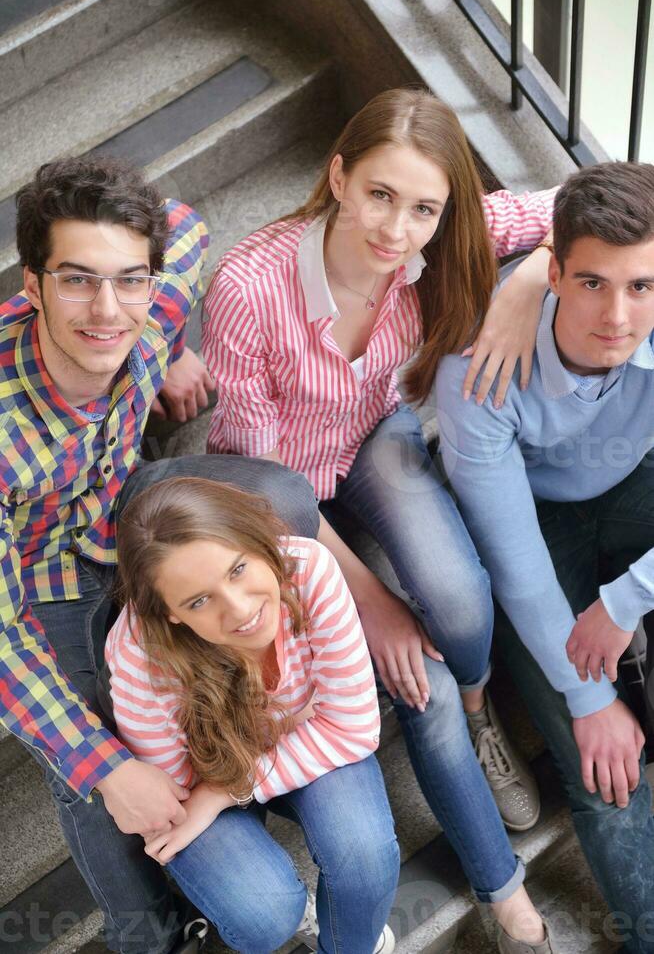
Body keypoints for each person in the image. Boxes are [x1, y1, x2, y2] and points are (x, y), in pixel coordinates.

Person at [202, 88, 561, 952]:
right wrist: (368, 597)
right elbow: (264, 489)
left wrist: (532, 282)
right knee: (417, 683)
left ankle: (483, 714)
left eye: (423, 208)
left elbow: (606, 193)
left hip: (374, 435)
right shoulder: (251, 289)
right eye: (379, 195)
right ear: (338, 176)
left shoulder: (442, 234)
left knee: (460, 603)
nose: (397, 229)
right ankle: (504, 892)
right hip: (273, 491)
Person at [0, 155, 320, 953]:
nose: (108, 310)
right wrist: (107, 768)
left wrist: (172, 348)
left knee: (281, 502)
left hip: (127, 507)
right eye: (76, 280)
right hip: (40, 576)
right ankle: (147, 934)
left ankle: (247, 708)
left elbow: (187, 223)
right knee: (90, 754)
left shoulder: (146, 306)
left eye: (128, 281)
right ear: (31, 287)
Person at [435, 160, 654, 953]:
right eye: (592, 283)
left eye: (642, 288)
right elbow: (515, 557)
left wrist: (627, 597)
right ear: (554, 271)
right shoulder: (480, 370)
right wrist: (588, 699)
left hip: (640, 479)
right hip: (539, 520)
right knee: (600, 766)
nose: (619, 316)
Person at [105, 476, 399, 954]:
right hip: (200, 776)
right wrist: (215, 792)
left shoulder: (308, 570)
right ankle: (303, 911)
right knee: (264, 915)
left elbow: (353, 726)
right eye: (199, 601)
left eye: (238, 569)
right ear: (171, 613)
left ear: (258, 541)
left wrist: (224, 793)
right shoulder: (141, 657)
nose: (240, 610)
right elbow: (173, 799)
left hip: (293, 746)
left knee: (364, 856)